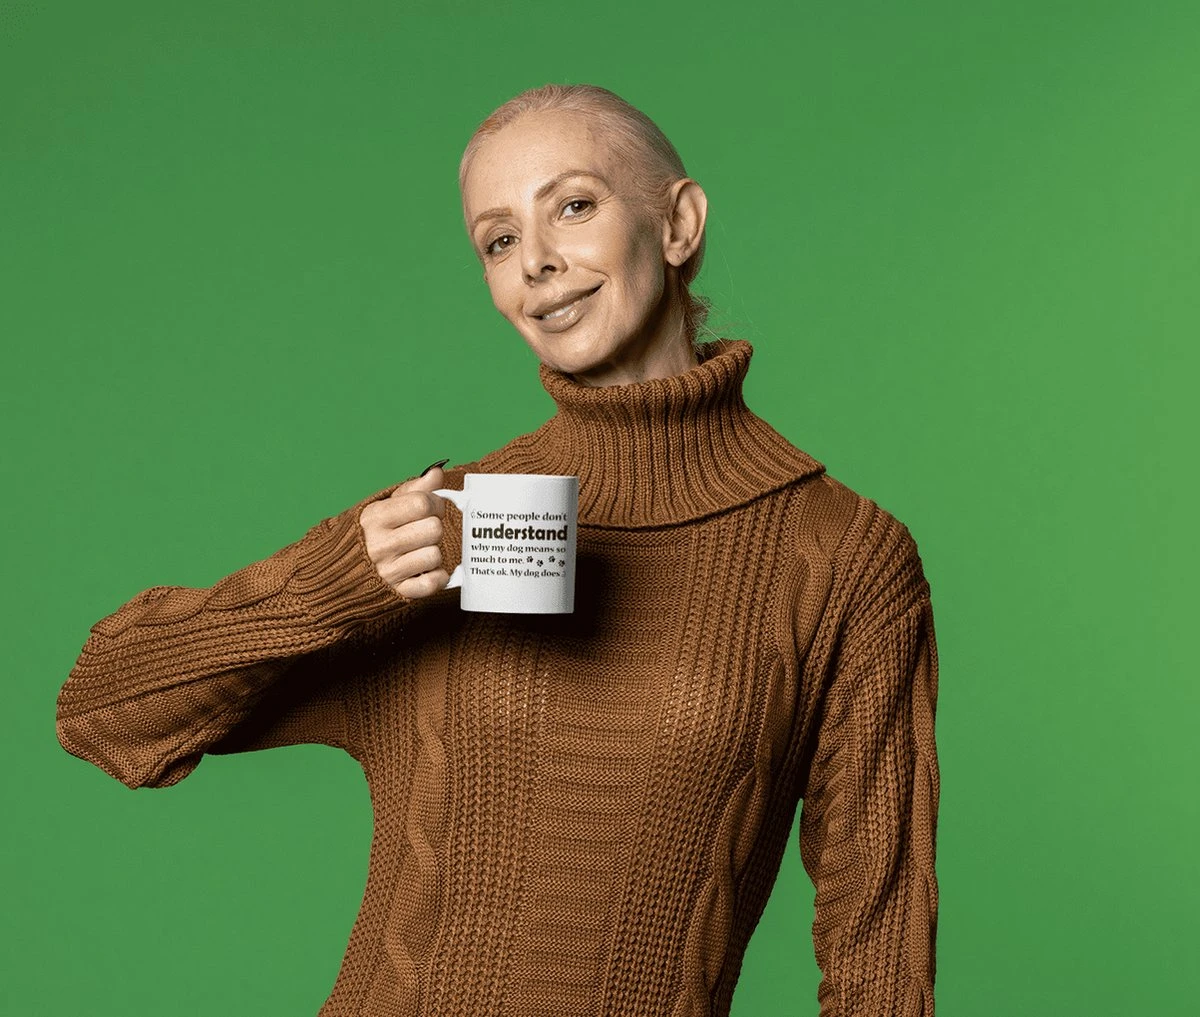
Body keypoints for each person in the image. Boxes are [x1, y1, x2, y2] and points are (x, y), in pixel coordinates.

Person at [56, 83, 940, 1016]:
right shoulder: (446, 526)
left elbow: (878, 953)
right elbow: (104, 711)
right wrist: (333, 582)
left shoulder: (842, 556)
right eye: (499, 240)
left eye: (575, 205)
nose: (538, 262)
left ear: (678, 224)